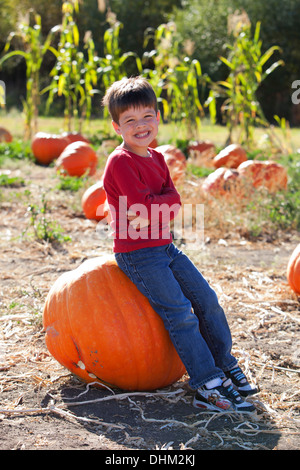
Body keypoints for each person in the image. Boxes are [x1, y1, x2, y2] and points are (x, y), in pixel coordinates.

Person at [102, 76, 258, 412]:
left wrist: (155, 211)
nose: (140, 126)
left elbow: (173, 202)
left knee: (207, 300)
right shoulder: (121, 162)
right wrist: (158, 208)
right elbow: (145, 208)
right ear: (117, 127)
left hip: (165, 247)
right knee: (180, 312)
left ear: (157, 118)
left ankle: (224, 365)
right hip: (138, 254)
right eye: (130, 120)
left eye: (147, 116)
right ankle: (206, 384)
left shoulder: (158, 159)